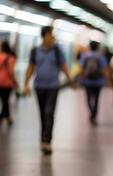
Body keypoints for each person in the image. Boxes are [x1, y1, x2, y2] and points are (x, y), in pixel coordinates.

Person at [23, 26, 76, 155]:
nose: (53, 37)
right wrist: (25, 84)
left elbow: (63, 66)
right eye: (51, 34)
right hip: (39, 86)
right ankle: (43, 140)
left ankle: (47, 141)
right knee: (42, 113)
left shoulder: (57, 51)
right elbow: (30, 67)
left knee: (49, 112)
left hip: (53, 86)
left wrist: (70, 80)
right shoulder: (35, 51)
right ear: (45, 36)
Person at [79, 41, 111, 126]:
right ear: (97, 47)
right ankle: (94, 115)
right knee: (96, 98)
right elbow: (104, 69)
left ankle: (91, 112)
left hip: (87, 81)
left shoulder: (84, 55)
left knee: (89, 97)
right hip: (98, 81)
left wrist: (81, 78)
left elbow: (81, 68)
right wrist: (108, 80)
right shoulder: (100, 56)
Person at [0, 40, 17, 125]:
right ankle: (4, 116)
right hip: (7, 83)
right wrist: (15, 82)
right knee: (5, 101)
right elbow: (11, 72)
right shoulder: (11, 58)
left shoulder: (0, 57)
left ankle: (6, 117)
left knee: (4, 101)